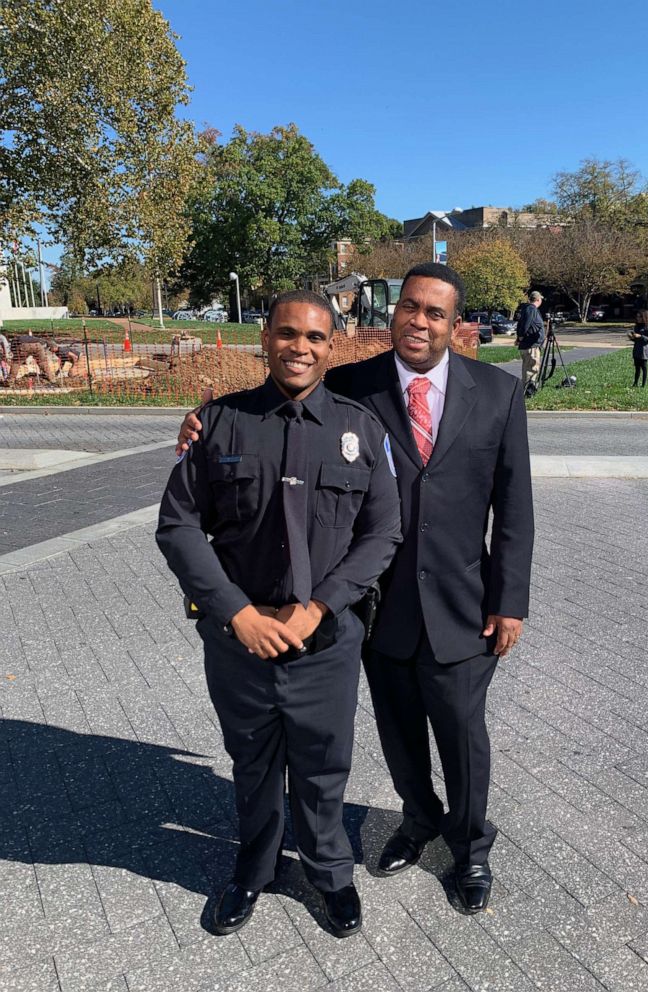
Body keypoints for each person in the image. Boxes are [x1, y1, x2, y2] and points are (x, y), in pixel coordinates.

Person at [176, 263, 534, 915]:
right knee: (399, 734)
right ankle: (418, 822)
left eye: (434, 313)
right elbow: (283, 412)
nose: (419, 321)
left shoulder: (498, 393)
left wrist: (509, 600)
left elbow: (514, 506)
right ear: (394, 313)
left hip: (463, 604)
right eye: (410, 308)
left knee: (460, 732)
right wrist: (201, 428)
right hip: (376, 605)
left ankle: (472, 848)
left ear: (455, 325)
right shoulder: (349, 385)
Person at [157, 290, 401, 939]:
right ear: (265, 338)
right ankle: (254, 868)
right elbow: (177, 525)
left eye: (315, 337)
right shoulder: (218, 424)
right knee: (254, 763)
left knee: (324, 765)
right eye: (287, 334)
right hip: (240, 639)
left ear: (332, 345)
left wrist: (319, 606)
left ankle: (330, 873)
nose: (300, 347)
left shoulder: (360, 430)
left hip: (324, 639)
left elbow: (383, 534)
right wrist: (235, 613)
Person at [515, 290, 545, 389]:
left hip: (530, 344)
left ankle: (529, 388)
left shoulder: (527, 309)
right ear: (537, 299)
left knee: (530, 367)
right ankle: (527, 390)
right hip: (531, 345)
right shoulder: (531, 309)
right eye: (540, 299)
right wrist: (521, 336)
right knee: (531, 368)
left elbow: (521, 324)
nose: (541, 300)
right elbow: (525, 325)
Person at [629, 310, 648, 387]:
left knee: (644, 367)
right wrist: (632, 337)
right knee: (637, 368)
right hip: (637, 349)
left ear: (644, 317)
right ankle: (635, 383)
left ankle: (643, 385)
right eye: (637, 316)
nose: (638, 318)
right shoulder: (636, 327)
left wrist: (640, 336)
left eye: (640, 316)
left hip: (644, 350)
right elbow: (635, 339)